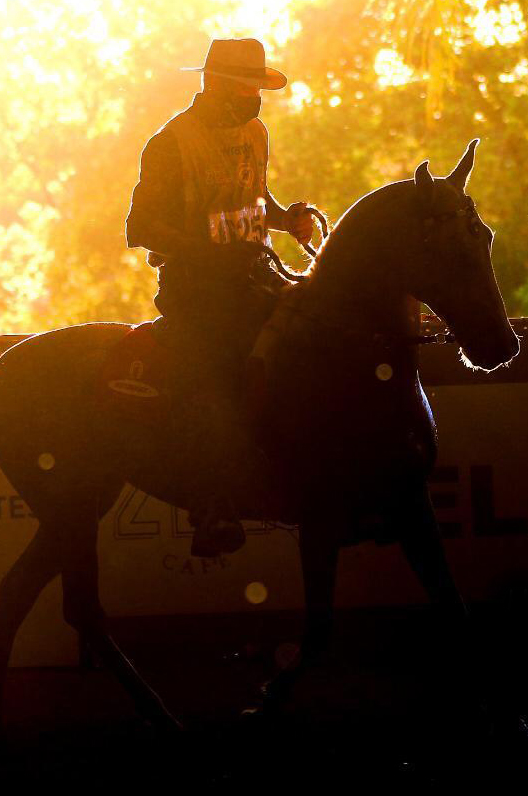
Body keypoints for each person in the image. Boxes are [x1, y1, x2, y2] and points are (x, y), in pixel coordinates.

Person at [125, 38, 315, 556]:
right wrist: (204, 255)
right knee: (211, 377)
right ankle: (211, 503)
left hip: (257, 276)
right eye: (247, 86)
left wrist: (286, 218)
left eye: (259, 85)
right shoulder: (170, 143)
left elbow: (256, 199)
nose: (257, 96)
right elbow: (140, 226)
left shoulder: (256, 132)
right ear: (215, 84)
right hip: (198, 292)